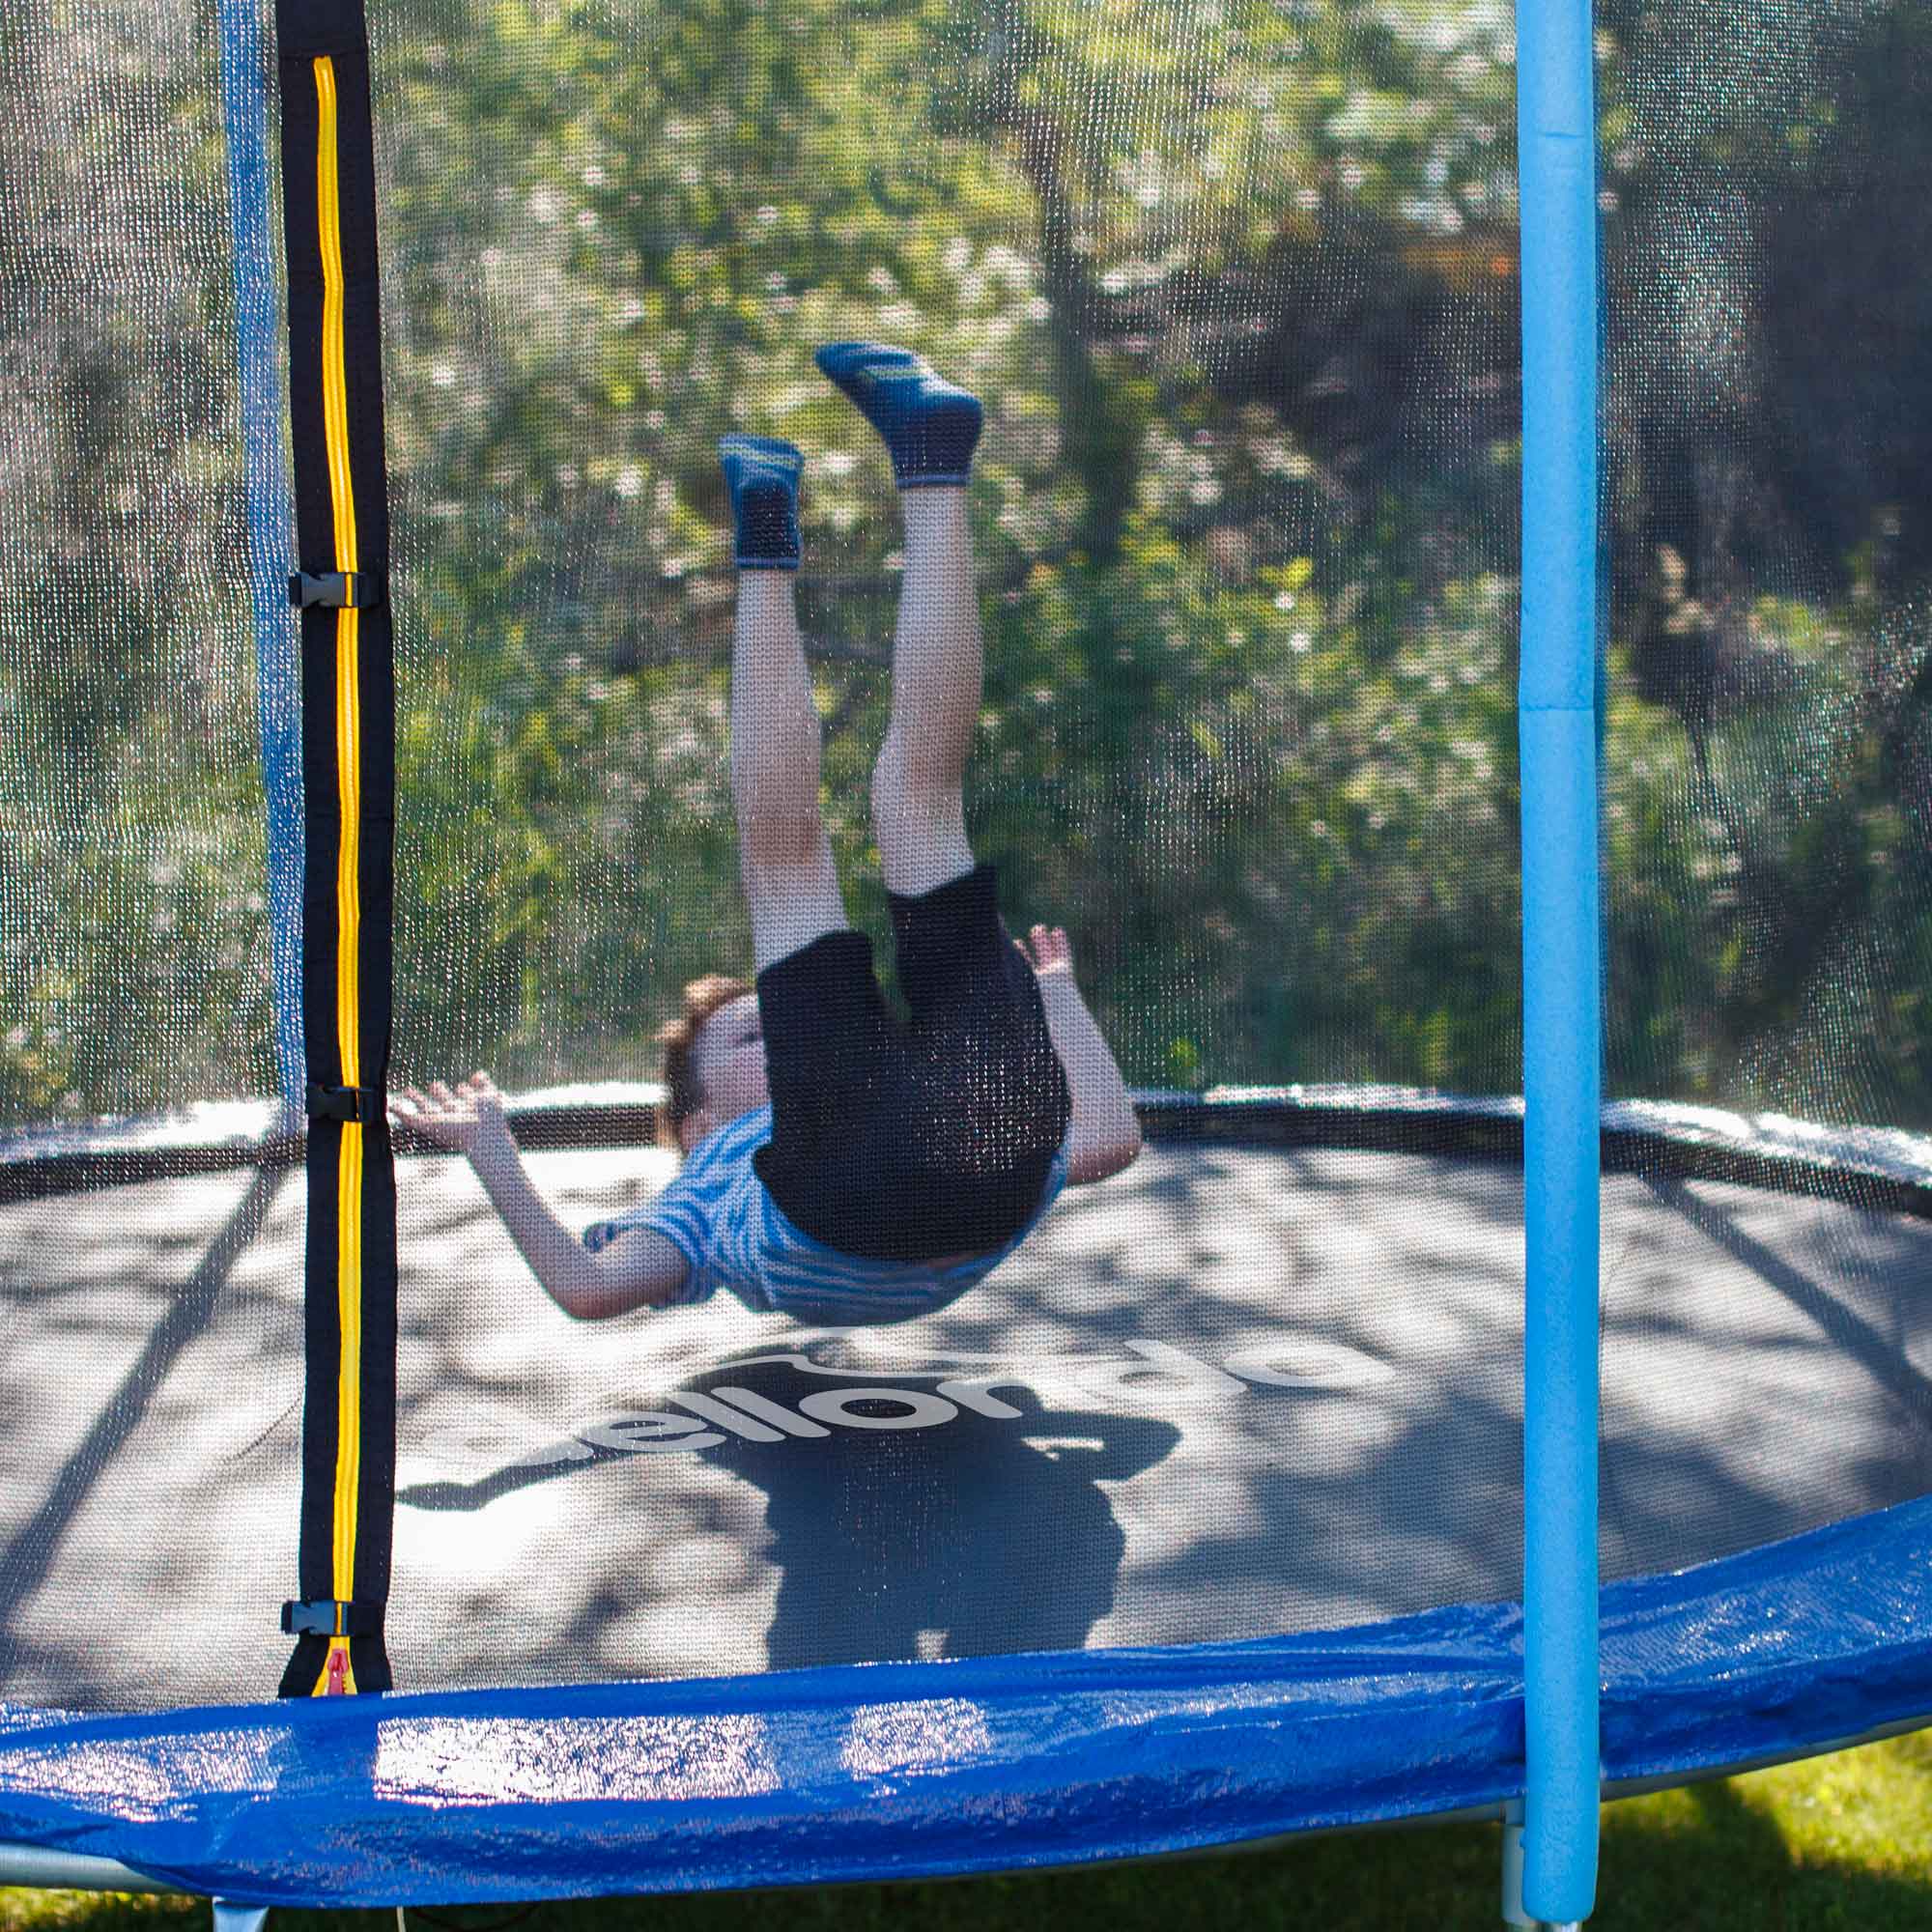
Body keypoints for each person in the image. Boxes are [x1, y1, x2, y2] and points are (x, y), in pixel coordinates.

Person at [398, 344, 1142, 1325]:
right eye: (753, 1032)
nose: (781, 1022)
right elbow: (1111, 1133)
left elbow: (1104, 1143)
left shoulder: (729, 1183)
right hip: (892, 1187)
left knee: (902, 811)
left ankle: (923, 461)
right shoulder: (701, 1186)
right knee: (897, 814)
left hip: (954, 1170)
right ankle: (779, 540)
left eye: (767, 1020)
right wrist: (1056, 1003)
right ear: (700, 1119)